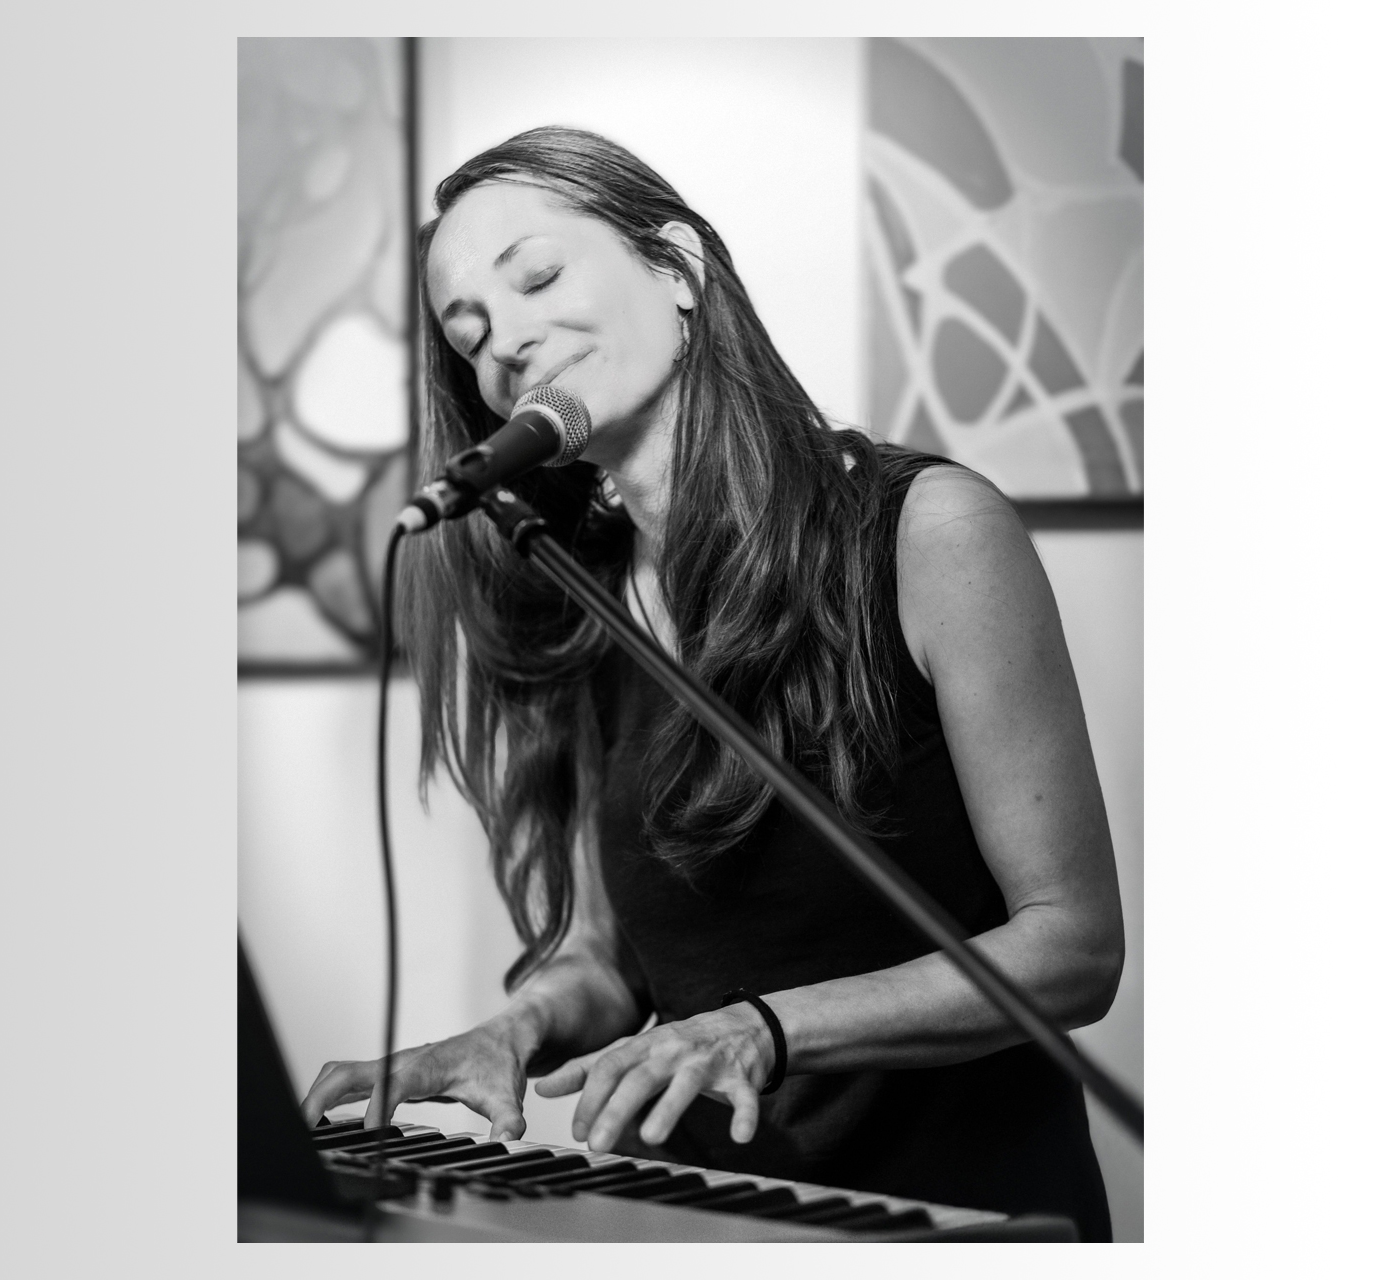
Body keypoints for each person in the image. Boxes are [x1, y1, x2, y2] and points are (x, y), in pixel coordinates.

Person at [299, 126, 1123, 1239]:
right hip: (716, 1217)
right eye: (471, 333)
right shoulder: (580, 596)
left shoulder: (930, 532)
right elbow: (612, 960)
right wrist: (514, 1029)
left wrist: (760, 1028)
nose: (509, 342)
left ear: (678, 268)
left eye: (537, 277)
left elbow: (1072, 946)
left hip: (960, 1215)